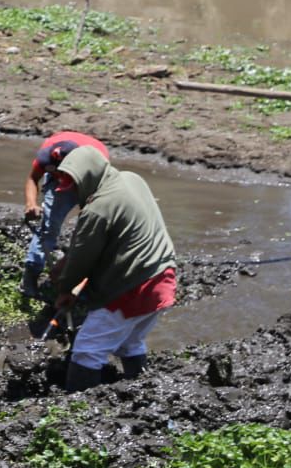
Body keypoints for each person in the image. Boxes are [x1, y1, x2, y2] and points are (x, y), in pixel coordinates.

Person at [51, 145, 175, 392]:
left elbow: (81, 259)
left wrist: (65, 289)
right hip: (164, 273)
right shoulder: (132, 178)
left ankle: (75, 411)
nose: (73, 195)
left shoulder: (98, 208)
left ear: (87, 179)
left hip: (134, 287)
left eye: (74, 187)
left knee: (87, 351)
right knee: (130, 341)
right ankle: (140, 390)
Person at [20, 131, 109, 298]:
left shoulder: (96, 164)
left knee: (89, 233)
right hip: (63, 180)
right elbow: (33, 178)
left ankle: (80, 279)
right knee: (49, 227)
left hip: (88, 182)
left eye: (63, 173)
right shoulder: (47, 155)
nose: (60, 176)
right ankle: (31, 275)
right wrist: (31, 204)